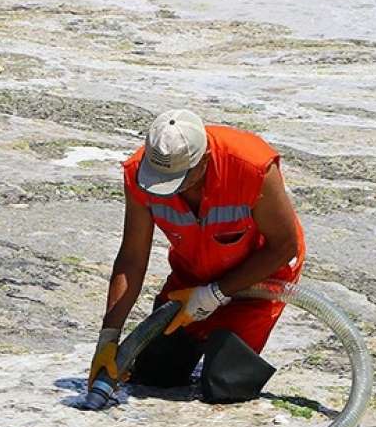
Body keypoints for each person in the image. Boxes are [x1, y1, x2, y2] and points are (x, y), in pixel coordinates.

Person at [88, 109, 305, 403]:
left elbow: (284, 246)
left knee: (224, 386)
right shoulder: (139, 174)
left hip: (260, 279)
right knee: (153, 374)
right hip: (192, 276)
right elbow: (131, 258)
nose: (168, 190)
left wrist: (216, 294)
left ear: (203, 161)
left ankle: (224, 350)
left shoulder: (251, 165)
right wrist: (108, 337)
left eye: (178, 180)